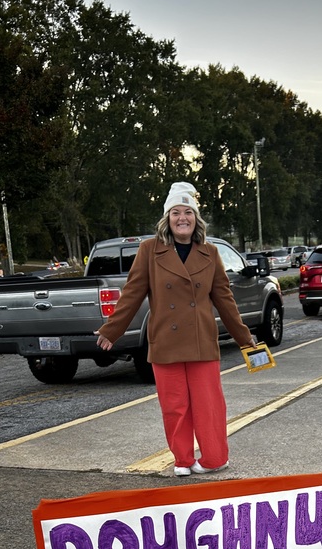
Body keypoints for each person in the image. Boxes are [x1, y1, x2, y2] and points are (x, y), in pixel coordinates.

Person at [95, 182, 256, 477]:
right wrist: (112, 329)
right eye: (176, 213)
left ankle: (214, 458)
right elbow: (133, 293)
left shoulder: (210, 253)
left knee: (208, 406)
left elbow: (225, 300)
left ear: (196, 219)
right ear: (167, 218)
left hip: (202, 342)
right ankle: (182, 460)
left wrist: (245, 338)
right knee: (174, 407)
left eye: (188, 212)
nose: (182, 218)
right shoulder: (148, 250)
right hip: (165, 342)